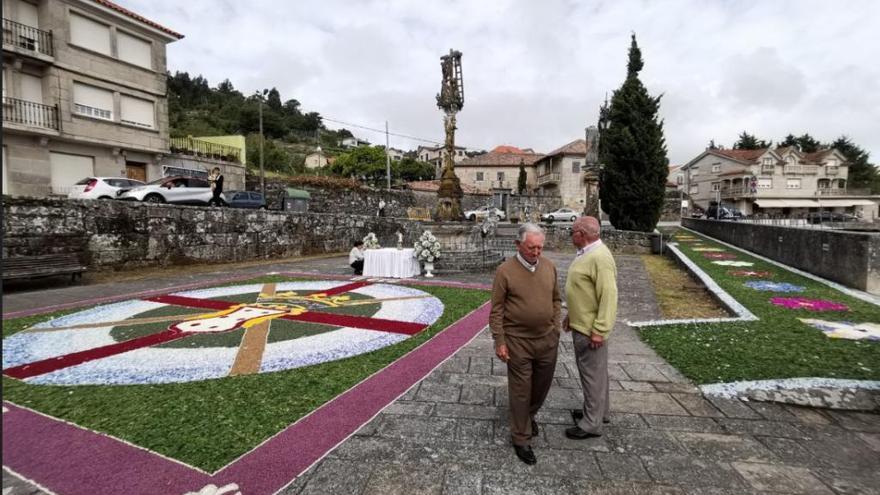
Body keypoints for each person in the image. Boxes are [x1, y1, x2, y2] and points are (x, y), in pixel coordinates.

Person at [490, 223, 561, 465]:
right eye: (531, 247)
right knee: (521, 391)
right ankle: (521, 437)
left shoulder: (549, 267)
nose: (537, 252)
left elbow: (556, 299)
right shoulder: (505, 271)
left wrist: (556, 329)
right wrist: (499, 340)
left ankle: (529, 416)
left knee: (541, 387)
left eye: (540, 247)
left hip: (547, 340)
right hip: (518, 341)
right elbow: (497, 309)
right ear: (518, 245)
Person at [563, 216, 618, 440]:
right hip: (582, 322)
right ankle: (598, 412)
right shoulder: (588, 254)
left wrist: (600, 330)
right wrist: (571, 315)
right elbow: (584, 293)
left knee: (591, 375)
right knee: (597, 374)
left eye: (573, 232)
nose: (571, 235)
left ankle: (591, 424)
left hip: (590, 330)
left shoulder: (599, 257)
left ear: (582, 235)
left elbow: (609, 296)